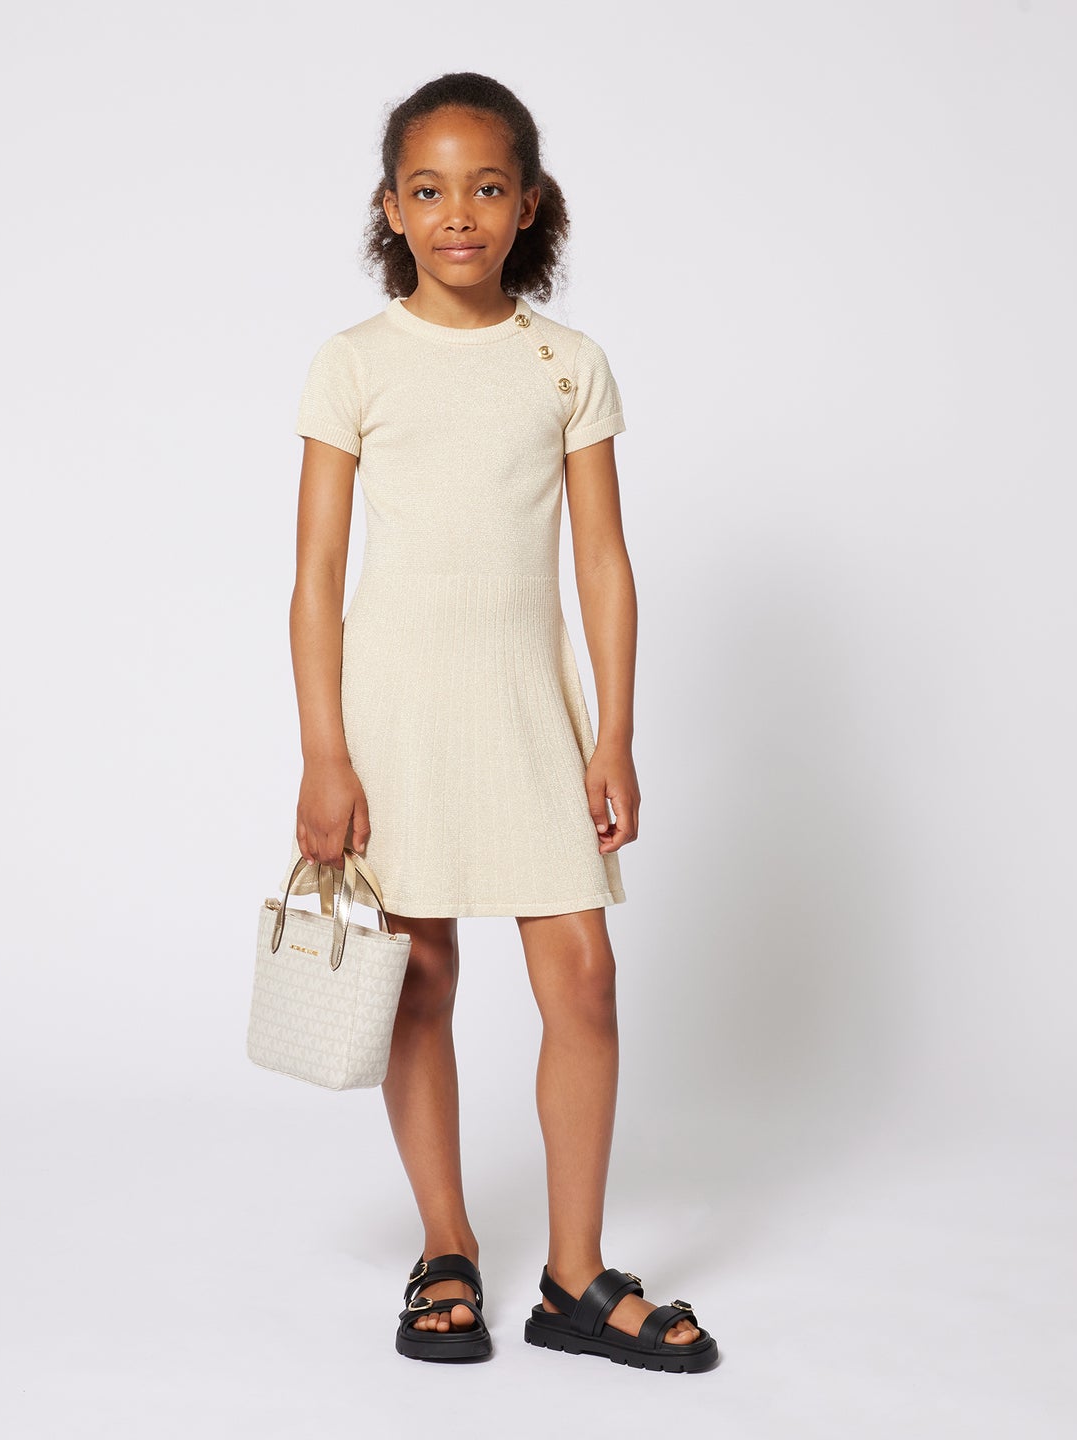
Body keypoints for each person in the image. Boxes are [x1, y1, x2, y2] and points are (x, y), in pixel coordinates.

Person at [285, 70, 719, 1374]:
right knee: (418, 980)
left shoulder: (565, 364)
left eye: (486, 187)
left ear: (529, 204)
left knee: (582, 978)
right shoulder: (355, 362)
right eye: (429, 189)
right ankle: (448, 1248)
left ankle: (576, 1277)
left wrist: (614, 733)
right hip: (395, 717)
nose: (458, 213)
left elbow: (604, 563)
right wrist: (323, 751)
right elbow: (315, 574)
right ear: (391, 208)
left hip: (531, 716)